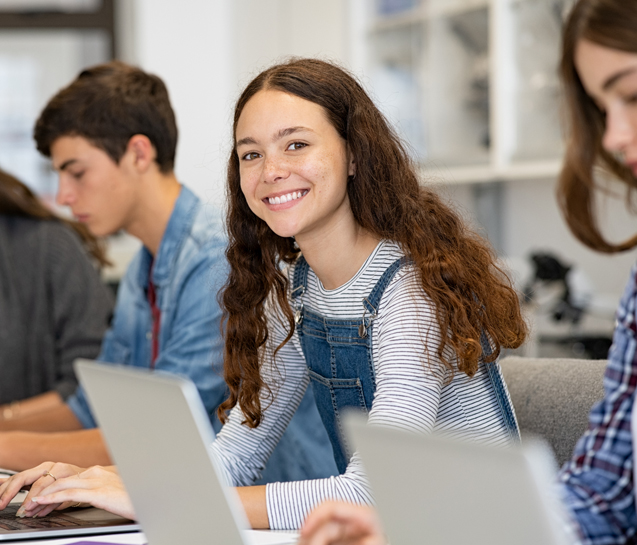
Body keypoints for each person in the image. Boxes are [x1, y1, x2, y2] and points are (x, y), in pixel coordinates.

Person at [0, 58, 527, 528]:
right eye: (250, 154)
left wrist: (160, 497)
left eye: (296, 144)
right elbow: (236, 455)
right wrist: (98, 479)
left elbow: (372, 493)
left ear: (354, 155)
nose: (271, 171)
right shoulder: (295, 288)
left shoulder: (407, 291)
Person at [300, 0, 637, 543]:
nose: (614, 138)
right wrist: (430, 527)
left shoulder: (402, 287)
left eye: (632, 96)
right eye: (603, 109)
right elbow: (602, 498)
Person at [0, 61, 337, 486]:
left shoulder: (219, 258)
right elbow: (92, 408)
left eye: (77, 172)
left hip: (270, 511)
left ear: (139, 153)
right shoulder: (146, 264)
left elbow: (159, 435)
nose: (64, 196)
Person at [0, 168, 113, 423]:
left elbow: (89, 383)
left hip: (40, 452)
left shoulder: (48, 246)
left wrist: (7, 418)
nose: (64, 195)